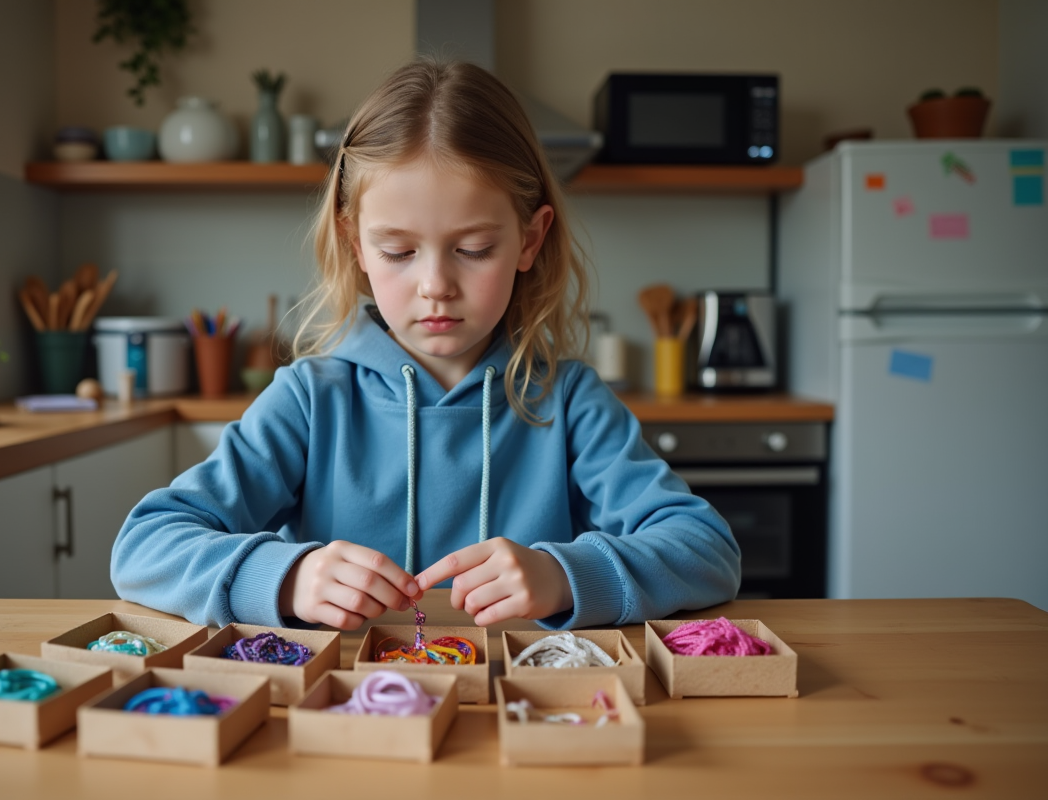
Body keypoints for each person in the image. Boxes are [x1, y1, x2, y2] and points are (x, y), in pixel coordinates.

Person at [111, 59, 740, 631]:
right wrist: (289, 578)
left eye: (473, 250)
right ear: (355, 243)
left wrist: (564, 574)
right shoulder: (309, 400)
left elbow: (707, 549)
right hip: (350, 717)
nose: (436, 285)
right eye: (399, 252)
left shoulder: (569, 401)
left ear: (529, 238)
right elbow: (144, 547)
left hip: (519, 717)